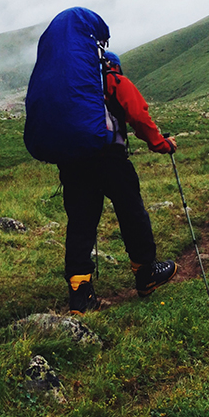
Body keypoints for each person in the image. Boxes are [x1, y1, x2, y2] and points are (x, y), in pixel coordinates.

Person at [58, 50, 177, 314]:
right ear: (111, 65)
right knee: (132, 213)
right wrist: (162, 144)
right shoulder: (112, 80)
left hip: (73, 164)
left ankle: (80, 293)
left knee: (80, 223)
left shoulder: (67, 85)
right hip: (110, 159)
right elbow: (139, 116)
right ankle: (146, 273)